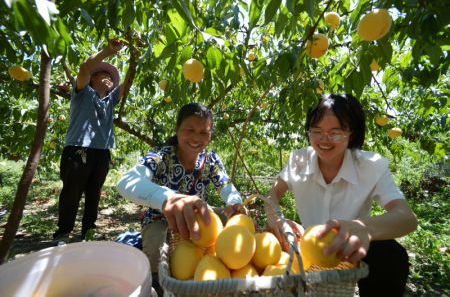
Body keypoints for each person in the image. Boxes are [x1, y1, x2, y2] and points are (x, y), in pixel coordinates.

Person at [265, 94, 418, 296]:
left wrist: (363, 228)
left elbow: (407, 218)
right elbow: (272, 195)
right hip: (308, 251)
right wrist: (278, 219)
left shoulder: (371, 165)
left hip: (351, 252)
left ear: (351, 133)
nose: (324, 140)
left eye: (335, 132)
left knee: (390, 254)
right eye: (316, 131)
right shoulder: (298, 160)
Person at [116, 102, 244, 294]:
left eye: (204, 132)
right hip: (160, 219)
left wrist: (235, 202)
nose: (196, 137)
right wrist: (168, 198)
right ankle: (158, 287)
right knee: (157, 258)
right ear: (177, 130)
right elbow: (126, 182)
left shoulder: (210, 160)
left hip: (199, 220)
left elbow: (226, 186)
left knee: (235, 221)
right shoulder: (161, 156)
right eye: (190, 129)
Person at [53, 39, 127, 240]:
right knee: (71, 193)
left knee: (94, 194)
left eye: (112, 78)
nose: (109, 79)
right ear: (93, 79)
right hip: (78, 150)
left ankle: (88, 231)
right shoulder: (82, 93)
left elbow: (126, 85)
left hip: (102, 153)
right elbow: (84, 68)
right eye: (104, 74)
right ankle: (63, 232)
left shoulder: (109, 102)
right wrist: (107, 51)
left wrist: (138, 59)